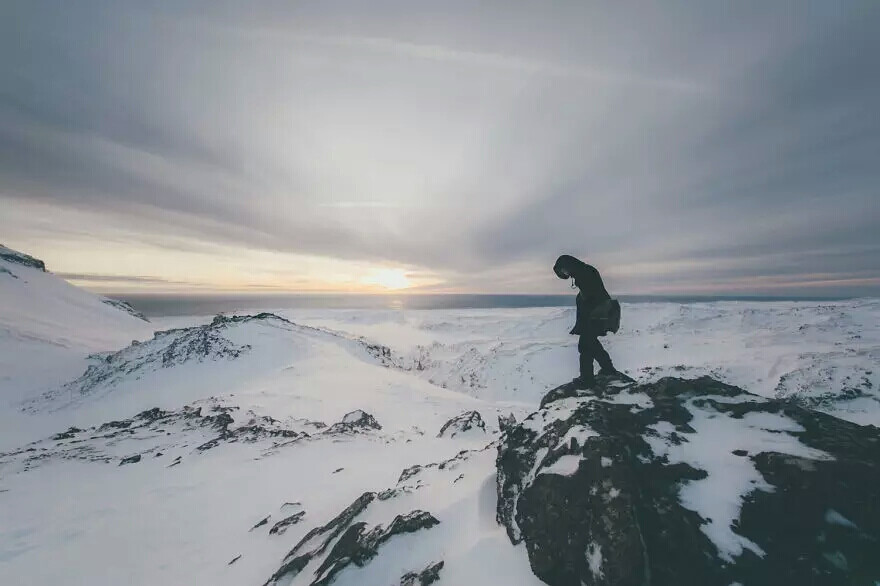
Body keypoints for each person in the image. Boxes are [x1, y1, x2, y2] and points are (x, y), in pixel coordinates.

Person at [553, 254, 618, 388]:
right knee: (591, 344)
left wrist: (587, 321)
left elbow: (591, 298)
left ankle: (587, 379)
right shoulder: (584, 271)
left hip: (594, 317)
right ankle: (607, 368)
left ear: (567, 265)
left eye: (564, 270)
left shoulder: (583, 274)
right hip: (596, 316)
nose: (565, 274)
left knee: (585, 346)